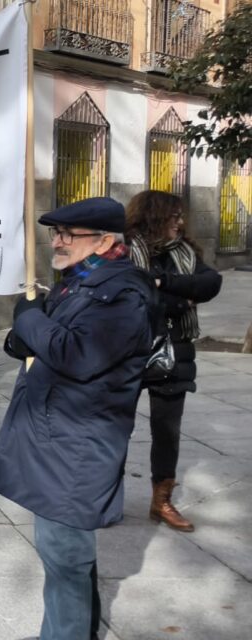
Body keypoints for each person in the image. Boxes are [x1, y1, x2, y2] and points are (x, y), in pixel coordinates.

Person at [0, 197, 153, 640]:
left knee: (65, 557)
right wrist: (26, 330)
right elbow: (33, 343)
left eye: (68, 235)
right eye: (56, 233)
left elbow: (76, 353)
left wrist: (29, 321)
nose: (57, 242)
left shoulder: (122, 295)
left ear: (104, 241)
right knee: (62, 556)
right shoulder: (76, 283)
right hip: (54, 437)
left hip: (78, 446)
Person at [126, 190, 223, 532]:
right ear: (154, 216)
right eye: (174, 216)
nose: (180, 223)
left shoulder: (184, 251)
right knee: (117, 426)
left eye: (181, 217)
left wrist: (163, 282)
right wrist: (183, 300)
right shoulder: (126, 249)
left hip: (176, 350)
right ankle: (103, 495)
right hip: (131, 349)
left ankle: (161, 501)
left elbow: (211, 282)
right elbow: (136, 297)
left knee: (167, 431)